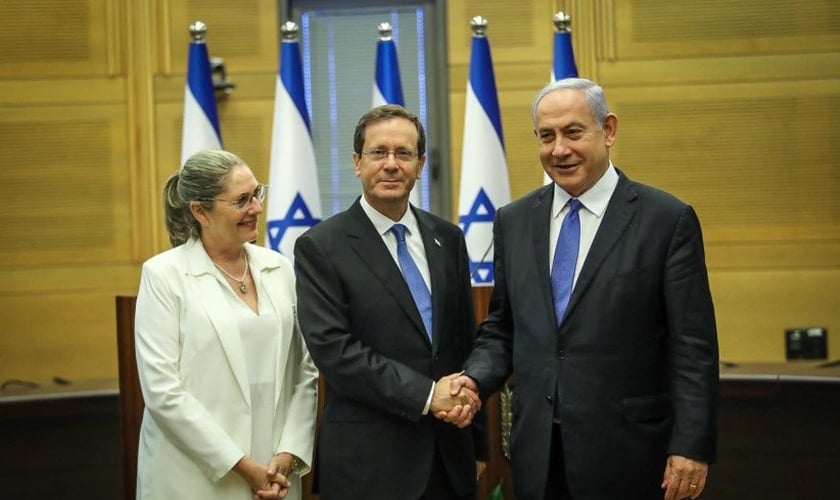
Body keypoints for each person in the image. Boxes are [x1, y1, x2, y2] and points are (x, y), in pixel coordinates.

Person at [447, 78, 719, 500]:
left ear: (608, 130)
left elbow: (693, 345)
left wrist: (691, 446)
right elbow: (503, 327)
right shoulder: (514, 221)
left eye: (573, 132)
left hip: (630, 454)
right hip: (538, 453)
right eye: (546, 136)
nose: (559, 149)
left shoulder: (666, 220)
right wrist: (474, 380)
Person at [293, 104, 487, 500]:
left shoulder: (447, 238)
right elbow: (336, 353)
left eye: (404, 154)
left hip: (449, 458)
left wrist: (478, 445)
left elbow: (465, 343)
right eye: (378, 153)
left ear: (420, 164)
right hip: (369, 467)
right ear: (356, 163)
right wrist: (429, 396)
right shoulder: (321, 247)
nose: (391, 164)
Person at [134, 149, 318, 500]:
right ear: (200, 211)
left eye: (257, 194)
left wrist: (288, 454)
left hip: (276, 475)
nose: (257, 208)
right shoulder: (163, 275)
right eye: (242, 200)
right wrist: (241, 465)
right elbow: (162, 392)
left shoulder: (279, 268)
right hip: (194, 477)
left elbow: (305, 371)